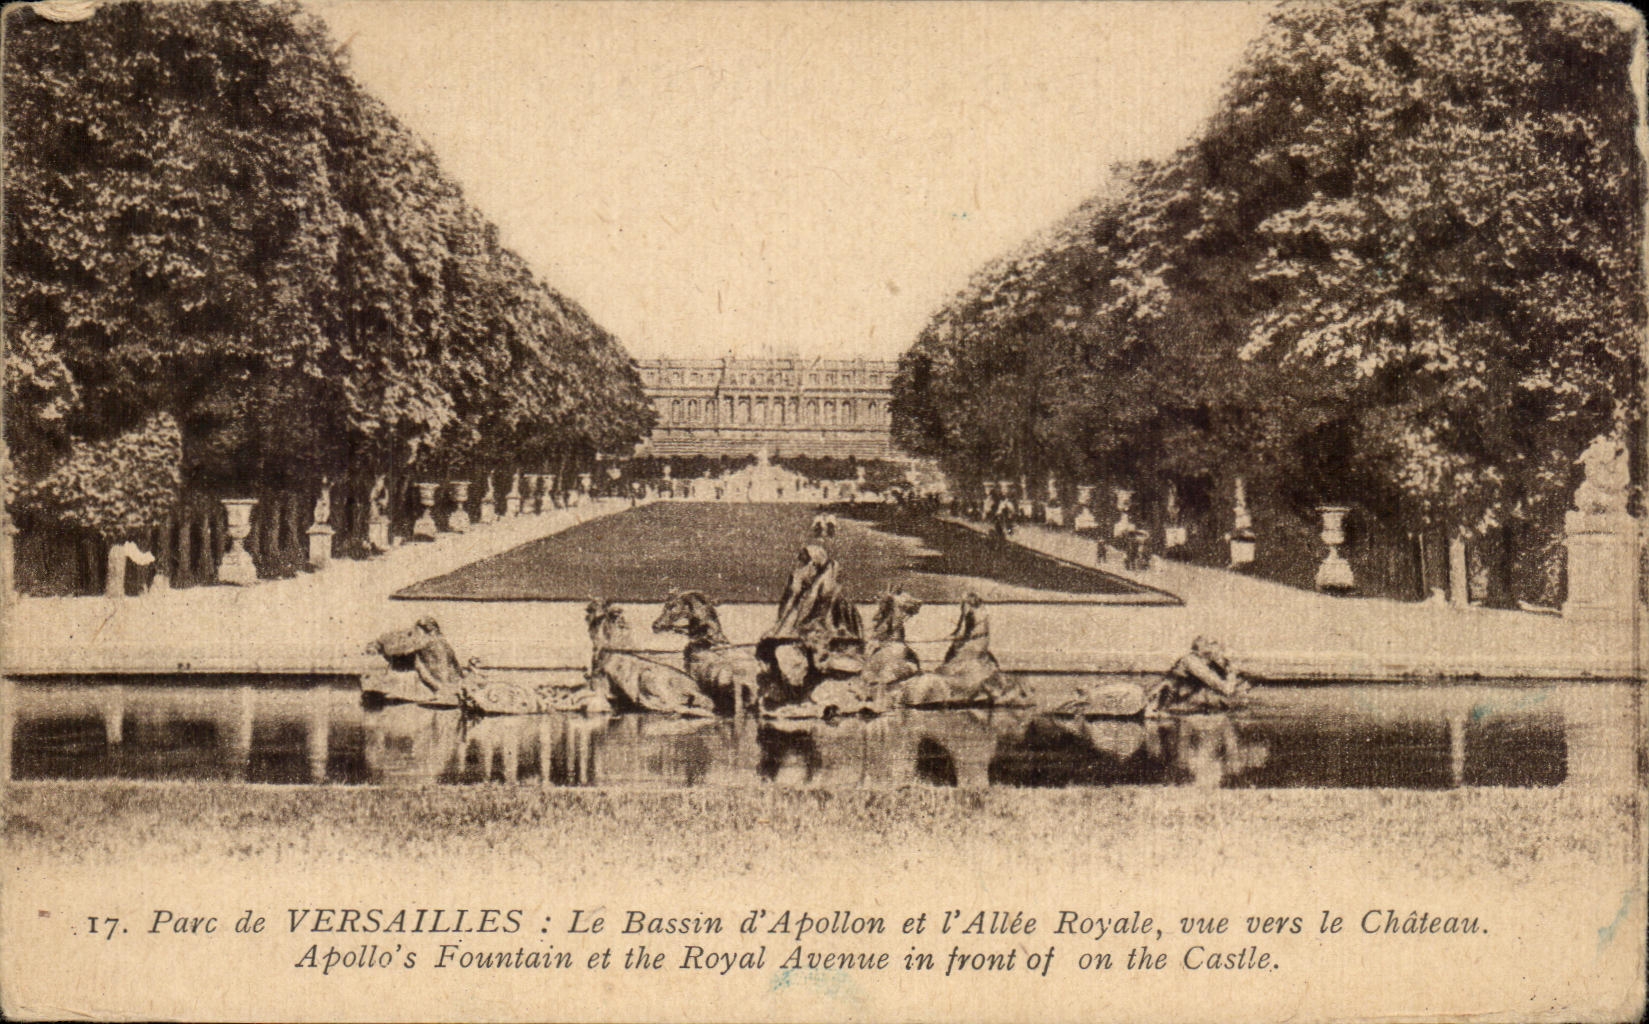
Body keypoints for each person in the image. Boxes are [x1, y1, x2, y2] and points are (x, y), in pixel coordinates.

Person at [1146, 636, 1248, 715]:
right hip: (1157, 709)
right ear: (1207, 651)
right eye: (1219, 652)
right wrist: (1231, 672)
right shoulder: (1193, 662)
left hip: (1170, 709)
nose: (1221, 656)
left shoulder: (1199, 661)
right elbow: (1226, 690)